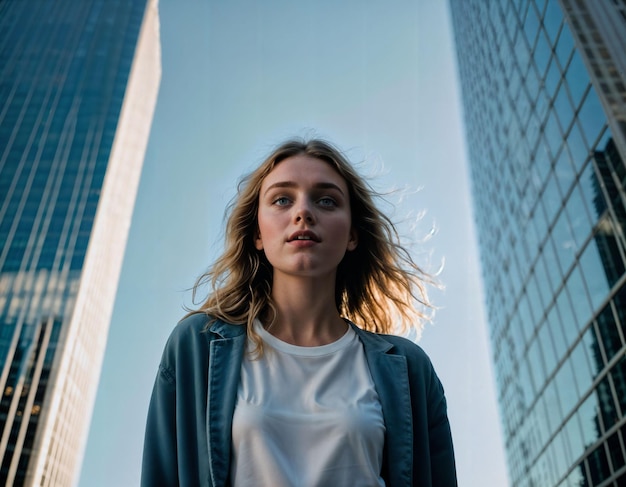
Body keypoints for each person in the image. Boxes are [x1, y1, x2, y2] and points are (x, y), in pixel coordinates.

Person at [141, 138, 457, 487]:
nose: (303, 212)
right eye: (282, 199)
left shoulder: (409, 368)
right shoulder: (196, 346)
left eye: (326, 200)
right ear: (257, 233)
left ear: (352, 234)